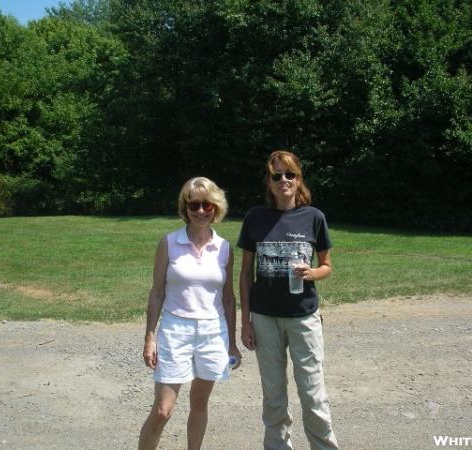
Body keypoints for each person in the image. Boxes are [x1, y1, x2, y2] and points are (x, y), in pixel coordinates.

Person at [238, 150, 339, 450]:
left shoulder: (314, 217)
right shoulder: (255, 218)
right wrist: (246, 322)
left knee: (313, 393)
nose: (283, 180)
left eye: (289, 174)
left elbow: (327, 266)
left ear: (299, 179)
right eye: (276, 175)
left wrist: (312, 273)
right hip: (265, 318)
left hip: (303, 318)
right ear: (268, 182)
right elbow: (245, 274)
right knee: (273, 395)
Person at [139, 176, 241, 450]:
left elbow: (228, 298)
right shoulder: (169, 243)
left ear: (215, 207)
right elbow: (157, 293)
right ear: (185, 208)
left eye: (206, 205)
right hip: (175, 330)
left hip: (212, 332)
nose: (200, 211)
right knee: (163, 409)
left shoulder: (224, 248)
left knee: (199, 403)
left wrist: (232, 342)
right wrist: (150, 337)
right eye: (194, 205)